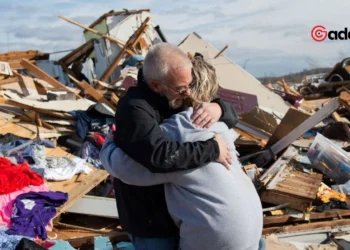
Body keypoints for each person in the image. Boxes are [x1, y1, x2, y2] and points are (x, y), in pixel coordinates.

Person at [100, 57, 263, 250]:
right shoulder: (218, 126)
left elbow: (125, 168)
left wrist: (111, 141)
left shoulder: (179, 130)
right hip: (251, 230)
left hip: (216, 236)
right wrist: (219, 107)